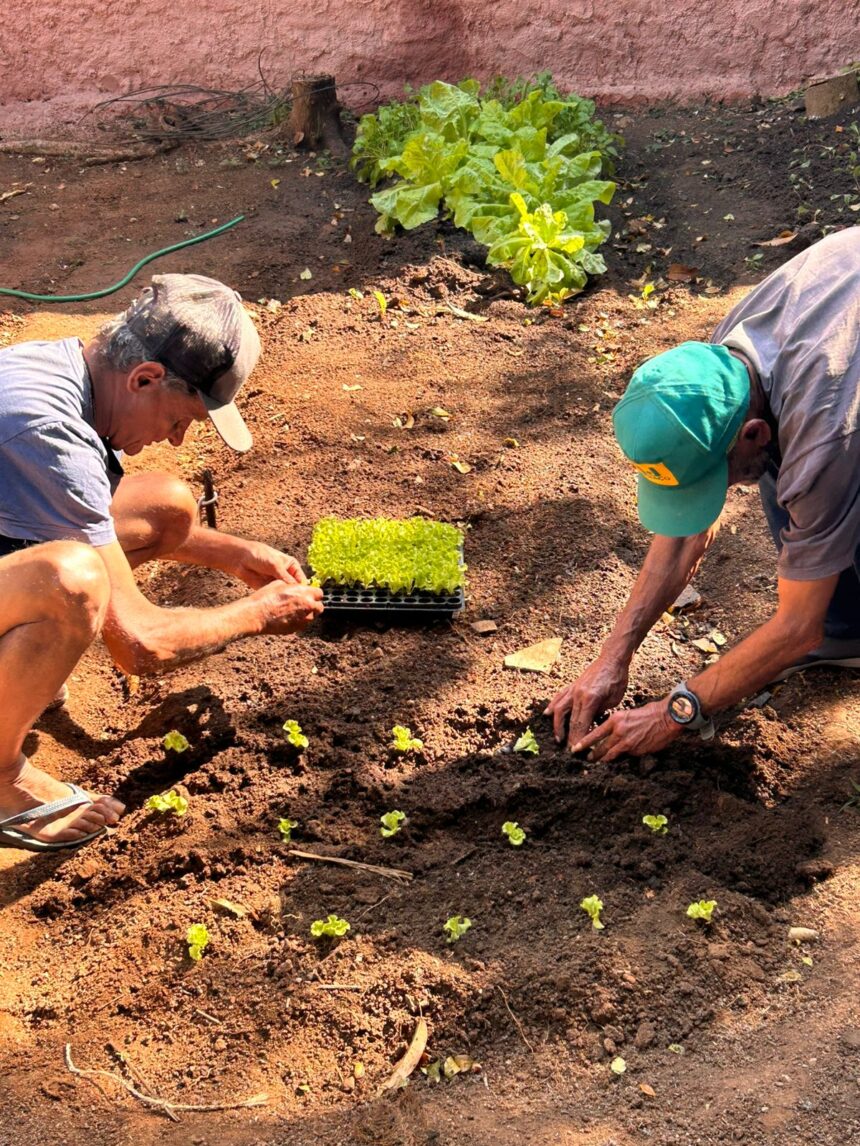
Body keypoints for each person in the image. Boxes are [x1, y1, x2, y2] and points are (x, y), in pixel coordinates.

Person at [0, 274, 323, 852]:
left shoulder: (62, 367)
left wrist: (234, 553)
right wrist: (257, 613)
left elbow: (98, 509)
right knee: (69, 583)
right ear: (145, 377)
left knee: (166, 504)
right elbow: (142, 645)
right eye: (180, 421)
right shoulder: (48, 434)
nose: (177, 440)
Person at [546, 227, 860, 761]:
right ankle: (853, 629)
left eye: (714, 479)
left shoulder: (827, 430)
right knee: (783, 477)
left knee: (806, 483)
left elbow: (797, 627)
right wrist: (613, 658)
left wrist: (677, 710)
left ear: (753, 430)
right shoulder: (714, 371)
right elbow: (685, 534)